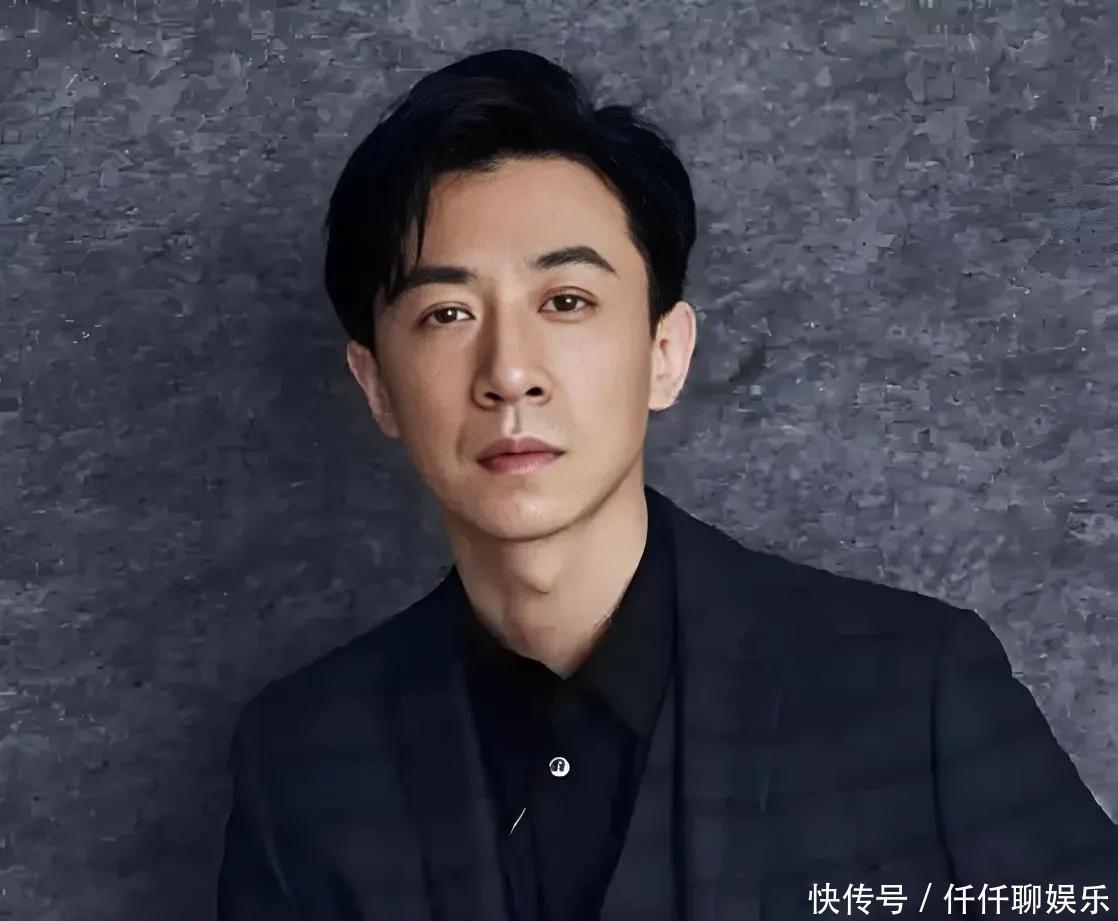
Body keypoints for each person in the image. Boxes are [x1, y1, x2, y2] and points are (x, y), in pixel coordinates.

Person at [216, 48, 1118, 921]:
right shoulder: (302, 762)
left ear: (665, 353)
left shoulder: (914, 689)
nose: (510, 372)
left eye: (566, 301)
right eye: (447, 312)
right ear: (377, 384)